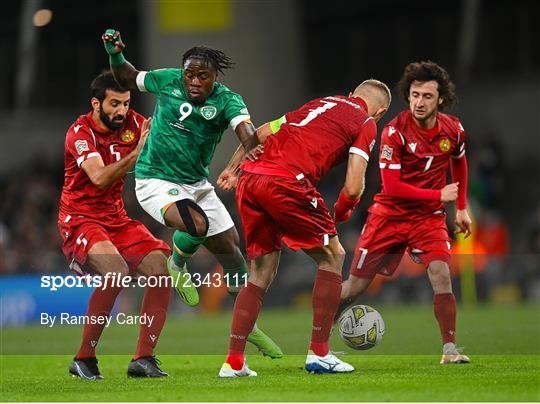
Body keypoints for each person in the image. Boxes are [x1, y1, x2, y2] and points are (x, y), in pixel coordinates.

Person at [101, 29, 282, 358]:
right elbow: (127, 77)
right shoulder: (166, 80)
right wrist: (115, 54)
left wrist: (248, 150)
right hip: (155, 179)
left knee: (234, 257)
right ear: (182, 73)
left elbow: (245, 130)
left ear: (214, 77)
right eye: (190, 75)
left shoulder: (227, 100)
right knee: (195, 225)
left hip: (197, 184)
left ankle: (247, 327)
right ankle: (177, 264)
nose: (195, 82)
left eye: (203, 76)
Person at [216, 80, 392, 377]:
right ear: (380, 112)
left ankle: (233, 362)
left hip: (250, 179)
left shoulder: (320, 103)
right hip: (286, 181)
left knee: (261, 270)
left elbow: (259, 134)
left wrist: (232, 169)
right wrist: (344, 209)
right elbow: (352, 185)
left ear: (351, 95)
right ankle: (320, 354)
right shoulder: (366, 122)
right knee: (333, 255)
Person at [339, 61, 472, 364]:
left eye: (427, 96)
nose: (419, 102)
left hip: (428, 219)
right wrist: (440, 194)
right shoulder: (394, 131)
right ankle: (318, 340)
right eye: (414, 95)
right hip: (388, 216)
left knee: (441, 275)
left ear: (440, 99)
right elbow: (393, 186)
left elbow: (459, 162)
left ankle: (449, 350)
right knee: (356, 286)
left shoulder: (453, 129)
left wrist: (461, 207)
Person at [58, 71, 172, 379]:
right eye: (114, 104)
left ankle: (143, 359)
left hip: (115, 218)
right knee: (116, 270)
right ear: (96, 103)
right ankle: (84, 358)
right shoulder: (80, 133)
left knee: (160, 271)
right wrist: (137, 154)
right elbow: (99, 177)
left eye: (126, 103)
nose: (122, 111)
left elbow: (166, 147)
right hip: (80, 218)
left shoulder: (135, 123)